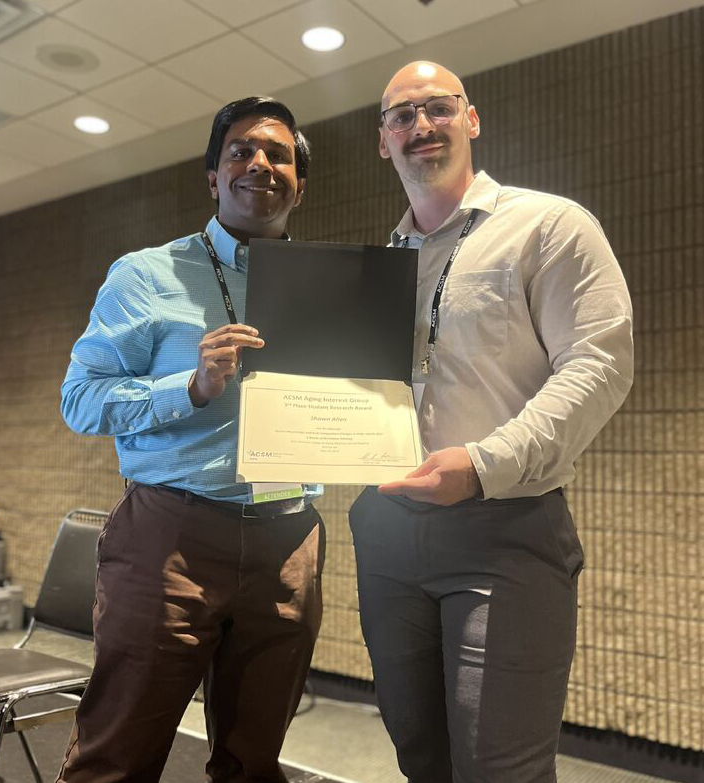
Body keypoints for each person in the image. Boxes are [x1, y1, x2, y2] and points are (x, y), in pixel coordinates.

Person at [349, 61, 633, 783]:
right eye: (402, 115)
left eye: (437, 107)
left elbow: (598, 365)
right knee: (420, 755)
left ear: (470, 119)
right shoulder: (379, 267)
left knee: (498, 769)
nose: (421, 125)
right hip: (386, 534)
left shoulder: (549, 225)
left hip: (505, 527)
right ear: (383, 140)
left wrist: (481, 463)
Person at [58, 97, 324, 783]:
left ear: (300, 181)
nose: (259, 163)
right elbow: (80, 400)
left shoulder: (331, 291)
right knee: (115, 758)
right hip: (169, 540)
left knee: (254, 763)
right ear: (213, 176)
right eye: (240, 150)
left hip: (288, 540)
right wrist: (190, 386)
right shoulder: (145, 275)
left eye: (279, 155)